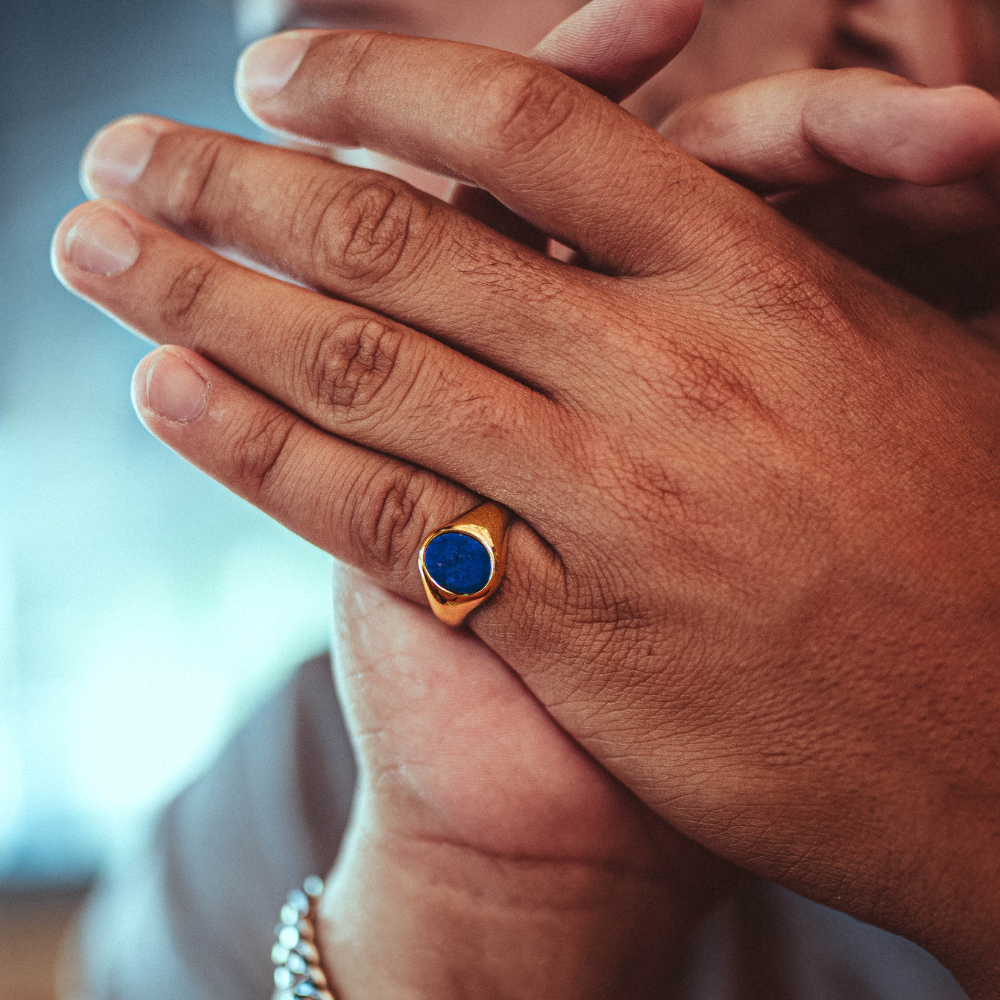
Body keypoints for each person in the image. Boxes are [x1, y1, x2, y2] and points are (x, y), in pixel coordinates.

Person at [57, 0, 1000, 997]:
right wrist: (480, 908)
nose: (325, 226)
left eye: (384, 74)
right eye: (318, 117)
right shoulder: (291, 817)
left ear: (886, 41)